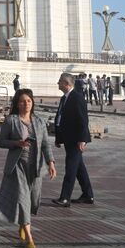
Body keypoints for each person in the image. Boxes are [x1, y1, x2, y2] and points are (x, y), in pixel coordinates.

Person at [0, 88, 56, 248]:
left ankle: (23, 223)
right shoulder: (11, 121)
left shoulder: (39, 121)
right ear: (17, 104)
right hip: (18, 166)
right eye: (22, 101)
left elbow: (45, 144)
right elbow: (1, 141)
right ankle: (29, 238)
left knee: (33, 200)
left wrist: (50, 162)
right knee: (23, 200)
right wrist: (17, 143)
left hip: (35, 167)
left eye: (29, 101)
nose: (26, 104)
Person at [52, 71, 94, 207]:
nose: (57, 83)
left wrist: (82, 139)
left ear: (66, 83)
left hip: (76, 140)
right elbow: (61, 118)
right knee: (79, 167)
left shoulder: (77, 97)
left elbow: (83, 120)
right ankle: (88, 195)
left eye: (59, 81)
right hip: (68, 138)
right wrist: (58, 138)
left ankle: (65, 198)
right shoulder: (64, 98)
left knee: (70, 168)